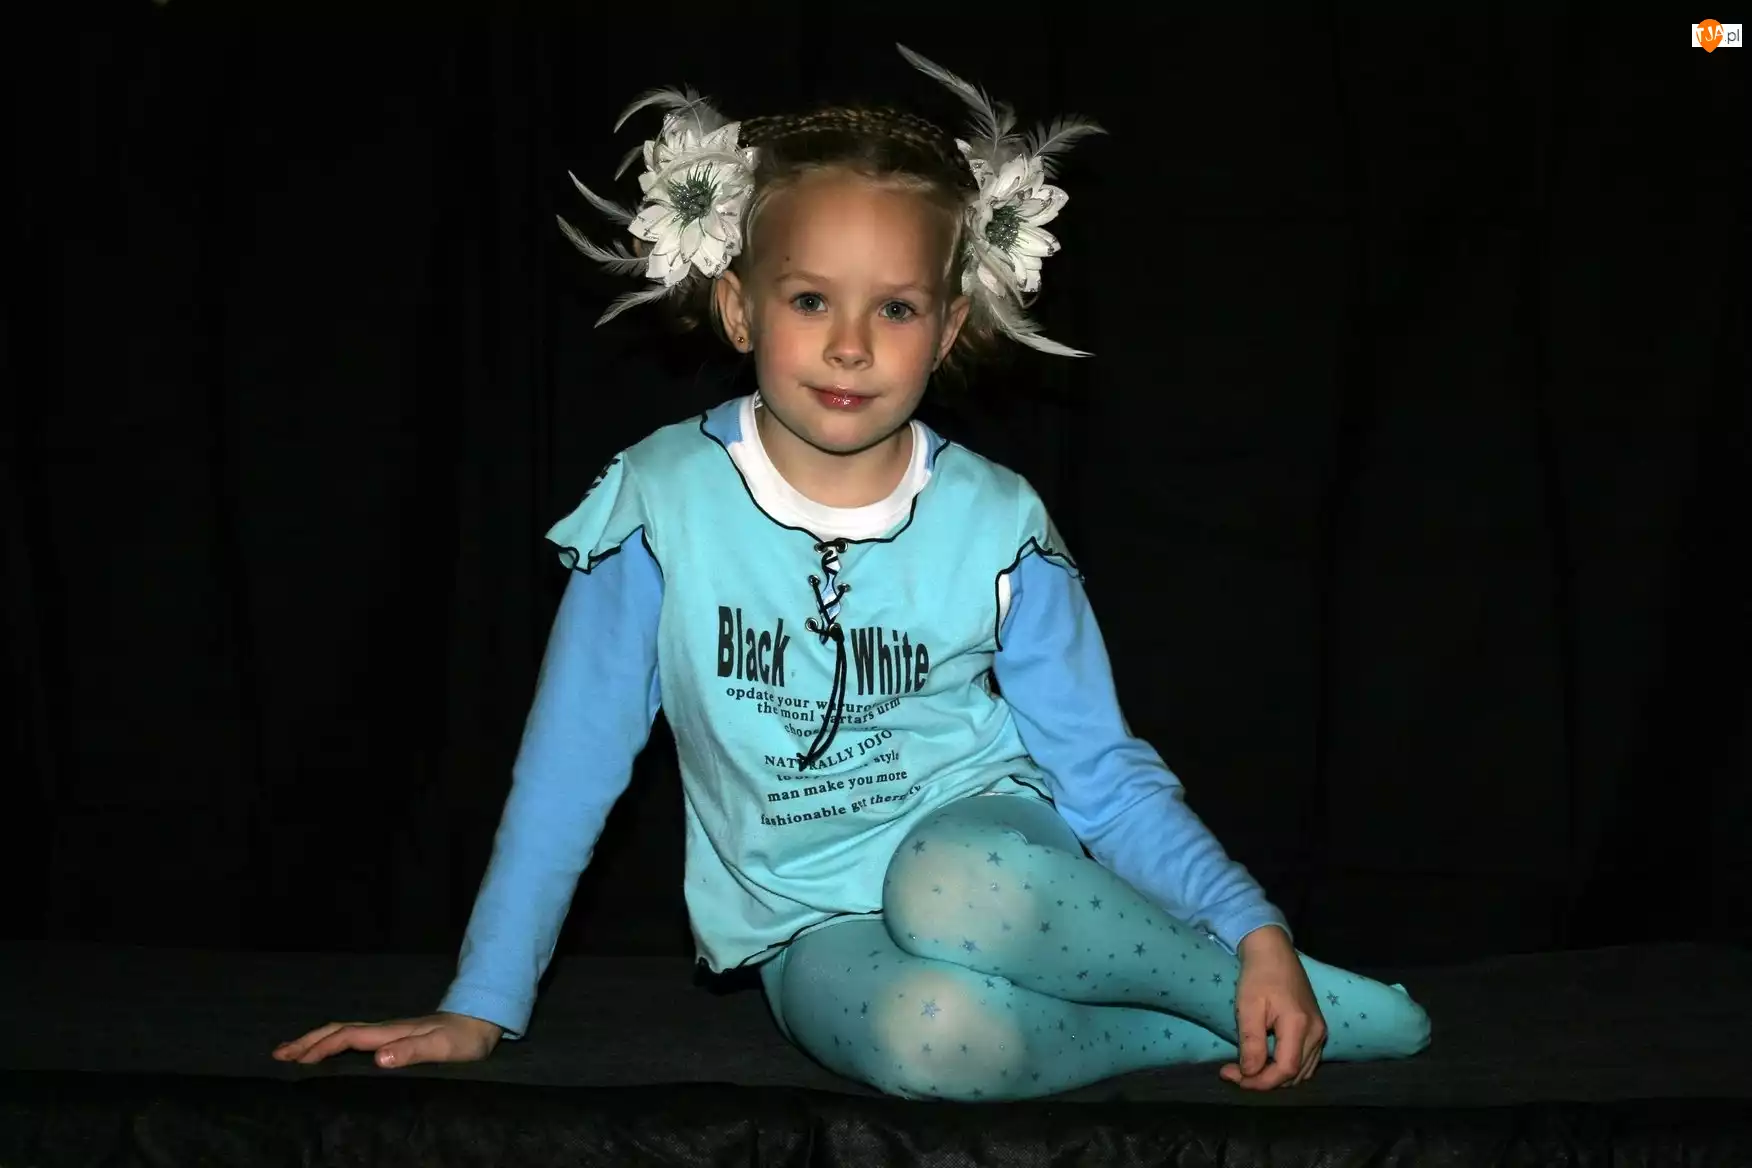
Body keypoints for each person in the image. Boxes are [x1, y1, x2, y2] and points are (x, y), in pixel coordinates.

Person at [274, 45, 1431, 1101]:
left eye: (896, 308)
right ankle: (1205, 1025)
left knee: (951, 882)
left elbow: (1103, 771)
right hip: (807, 923)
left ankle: (1257, 983)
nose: (849, 344)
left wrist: (1253, 929)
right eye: (810, 298)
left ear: (950, 327)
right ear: (739, 307)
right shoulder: (659, 506)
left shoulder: (997, 521)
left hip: (986, 859)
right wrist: (481, 1003)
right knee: (932, 1038)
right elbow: (568, 769)